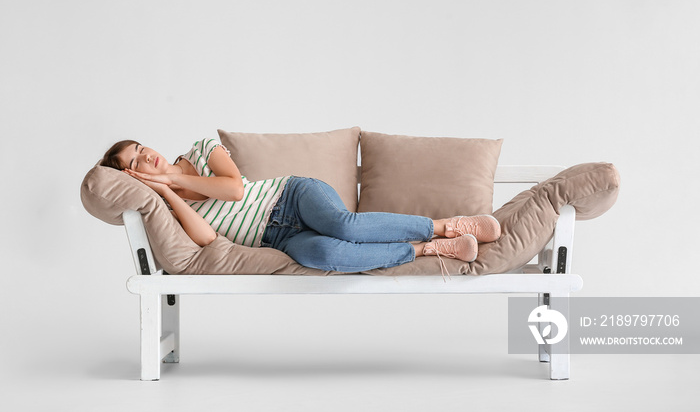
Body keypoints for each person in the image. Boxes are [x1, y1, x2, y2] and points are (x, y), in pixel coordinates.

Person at [101, 138, 501, 273]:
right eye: (133, 164)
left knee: (344, 227)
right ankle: (425, 250)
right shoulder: (171, 212)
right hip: (277, 239)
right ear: (132, 178)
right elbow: (207, 239)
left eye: (141, 149)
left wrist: (171, 178)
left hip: (291, 196)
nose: (145, 158)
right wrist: (168, 195)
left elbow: (235, 190)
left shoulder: (202, 149)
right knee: (325, 254)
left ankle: (444, 226)